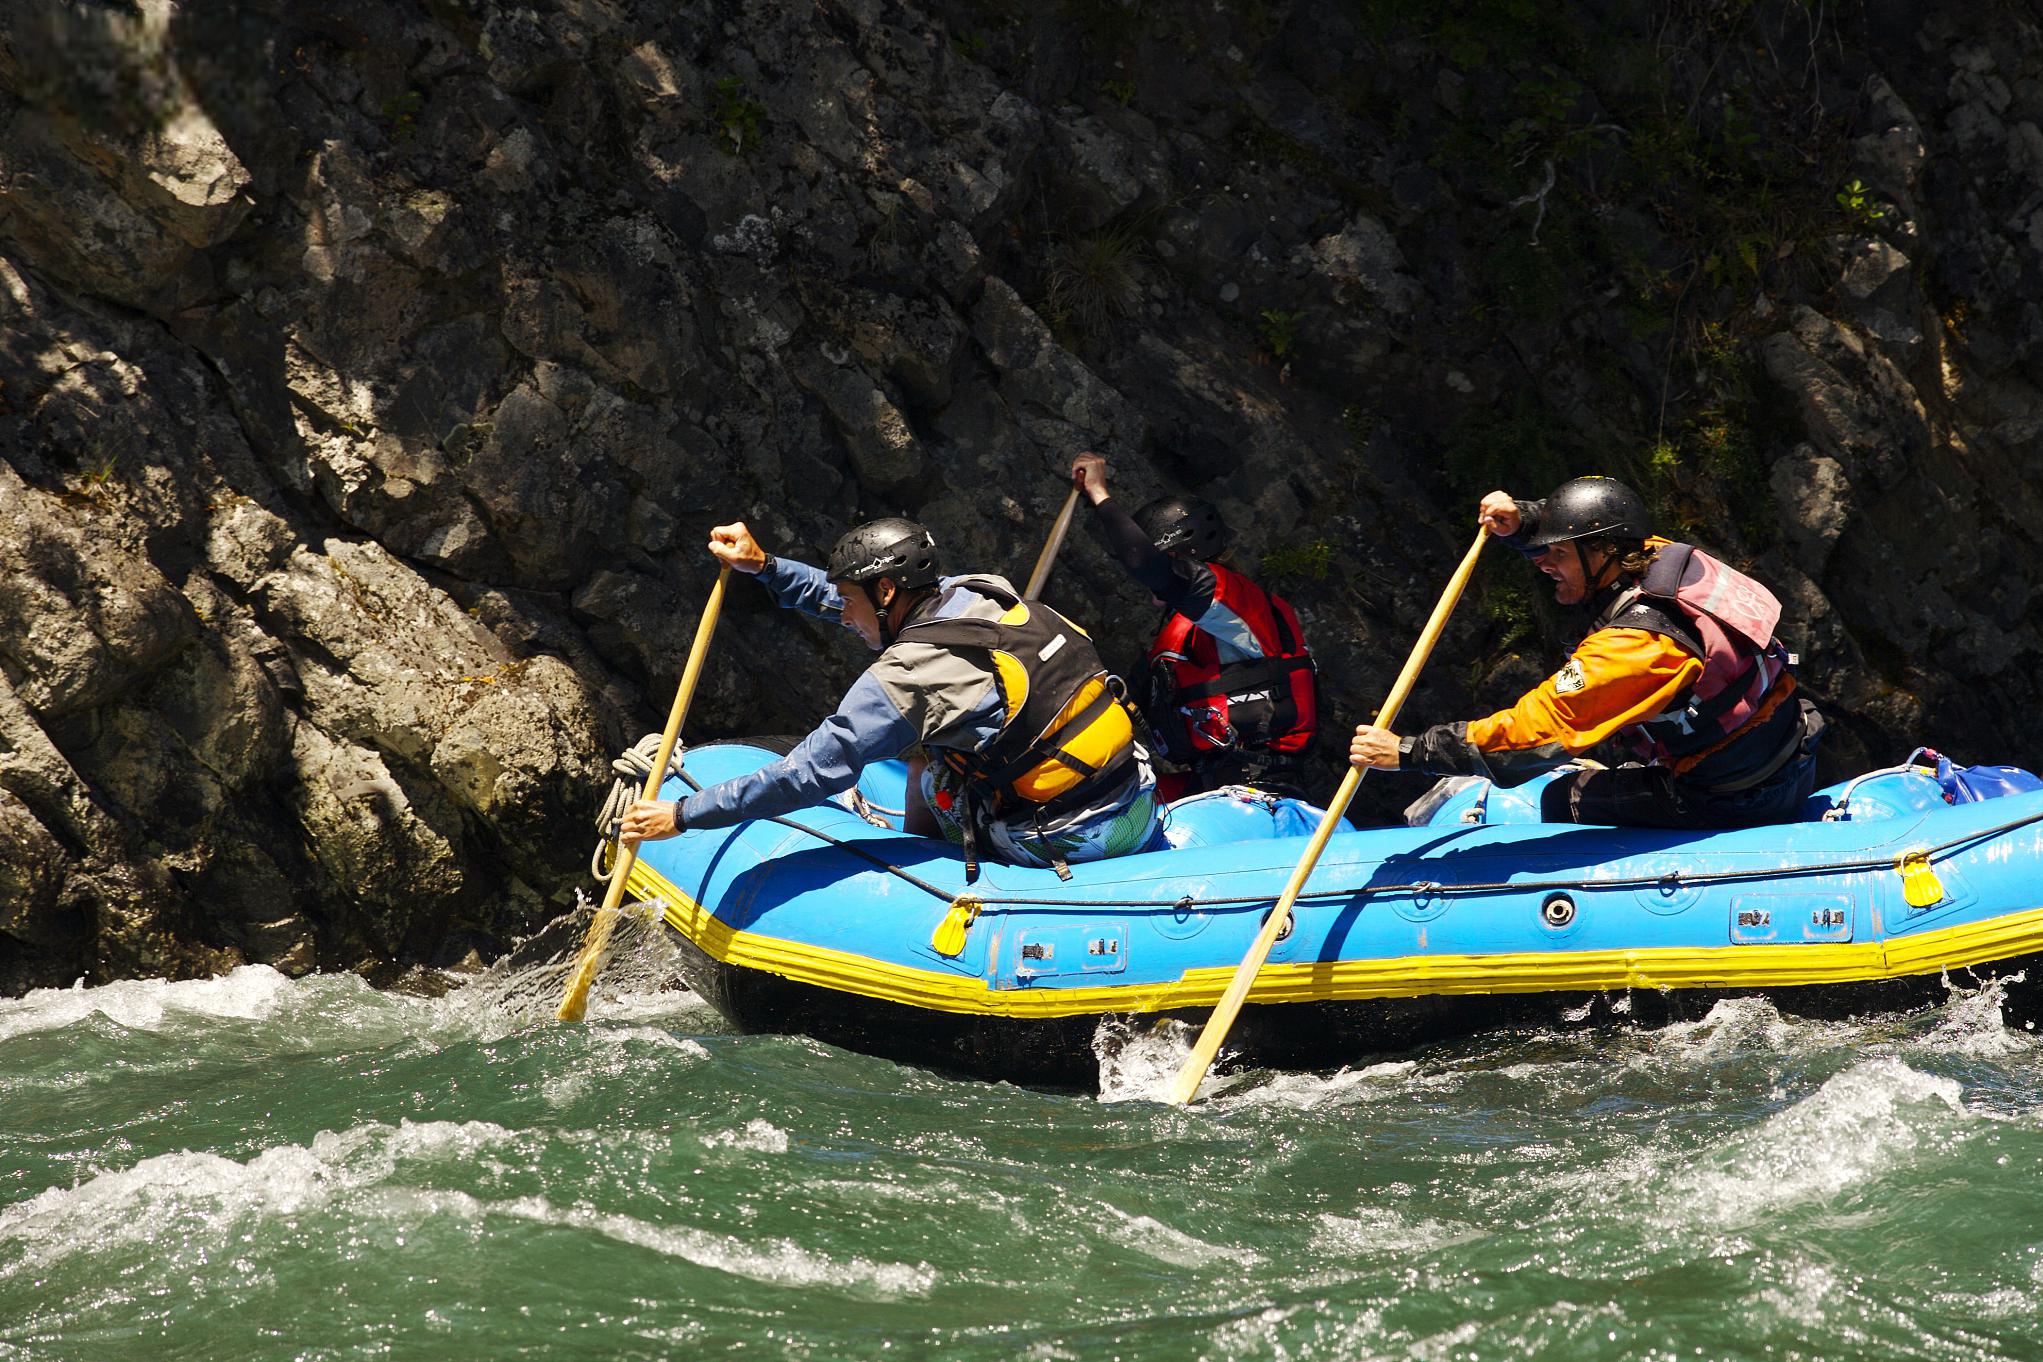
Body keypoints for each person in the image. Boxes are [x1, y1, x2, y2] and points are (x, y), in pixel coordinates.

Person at [617, 517, 1162, 876]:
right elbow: (846, 607)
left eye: (851, 599)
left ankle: (926, 859)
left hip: (1076, 835)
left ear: (885, 592)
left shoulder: (908, 678)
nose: (844, 615)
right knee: (950, 730)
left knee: (928, 757)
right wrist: (766, 567)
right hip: (1133, 793)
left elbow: (805, 774)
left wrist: (685, 814)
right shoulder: (979, 590)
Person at [1348, 475, 1825, 828]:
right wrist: (1523, 523)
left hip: (1733, 796)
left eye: (1557, 554)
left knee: (1561, 799)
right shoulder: (1665, 559)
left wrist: (1410, 752)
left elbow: (1537, 729)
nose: (1545, 565)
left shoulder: (1639, 647)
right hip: (1790, 754)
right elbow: (1592, 527)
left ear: (1602, 554)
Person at [1069, 453, 1319, 801]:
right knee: (1097, 805)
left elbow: (1145, 564)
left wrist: (1099, 493)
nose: (1148, 586)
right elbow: (1118, 704)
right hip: (1206, 781)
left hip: (1261, 786)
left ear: (1181, 555)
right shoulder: (1178, 633)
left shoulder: (1235, 601)